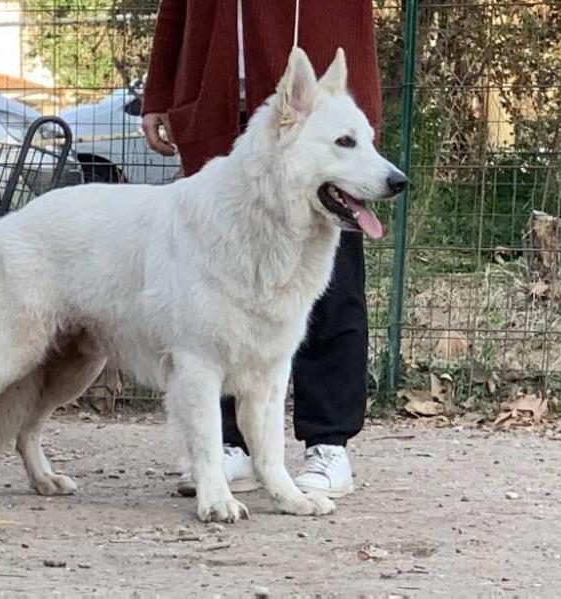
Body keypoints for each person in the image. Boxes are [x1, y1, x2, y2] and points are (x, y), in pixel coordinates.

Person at [141, 0, 382, 499]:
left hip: (316, 104)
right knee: (215, 291)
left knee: (330, 285)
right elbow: (177, 9)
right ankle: (231, 446)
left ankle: (328, 442)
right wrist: (160, 91)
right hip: (217, 102)